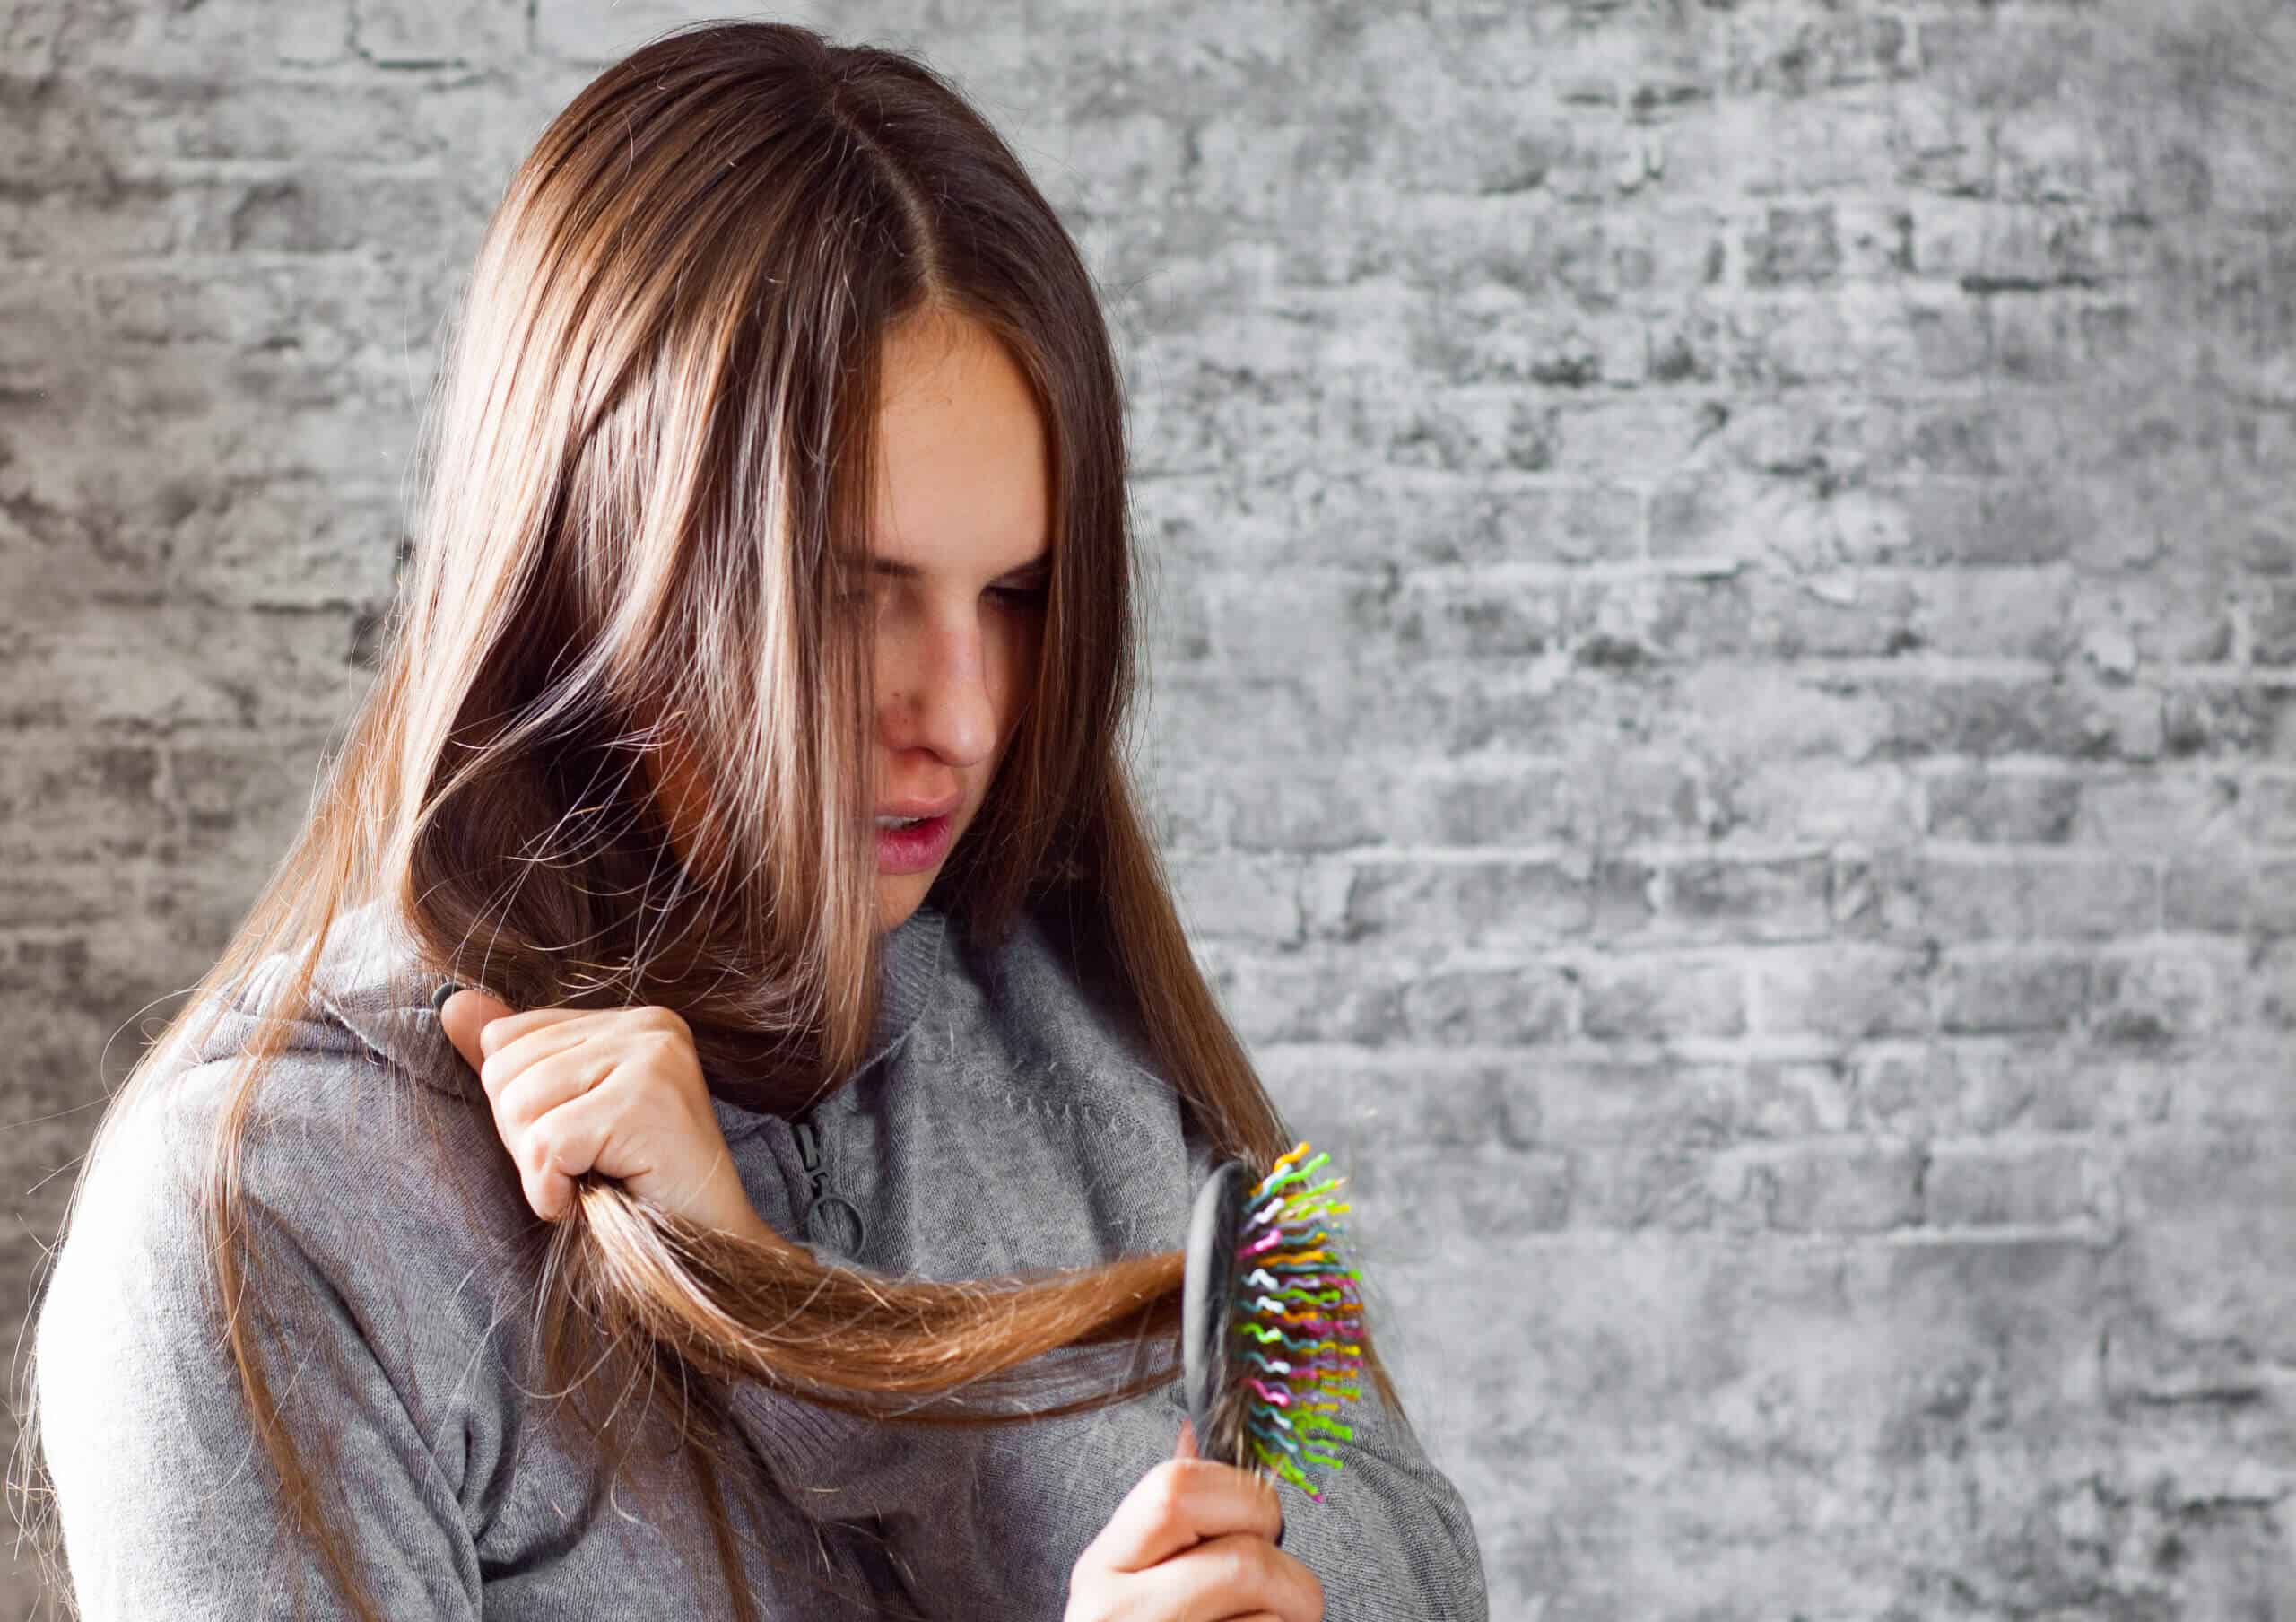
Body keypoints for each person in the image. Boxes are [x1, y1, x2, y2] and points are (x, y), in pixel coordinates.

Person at [22, 19, 1490, 1621]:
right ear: (599, 555)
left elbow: (1410, 1571)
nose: (970, 716)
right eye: (856, 594)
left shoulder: (1066, 1040)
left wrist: (799, 1323)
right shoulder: (267, 1230)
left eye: (1016, 596)